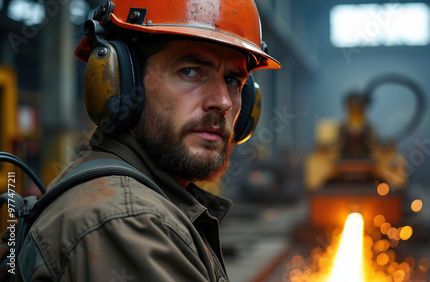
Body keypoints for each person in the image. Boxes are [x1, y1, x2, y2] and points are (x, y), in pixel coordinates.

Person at [17, 0, 280, 281]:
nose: (224, 102)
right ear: (121, 80)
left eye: (232, 81)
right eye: (190, 71)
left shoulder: (140, 200)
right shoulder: (126, 222)